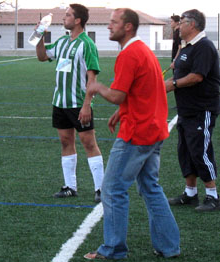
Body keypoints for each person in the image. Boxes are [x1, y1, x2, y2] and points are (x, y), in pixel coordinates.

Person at [83, 8, 180, 260]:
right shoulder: (144, 51)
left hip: (137, 133)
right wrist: (121, 111)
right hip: (154, 129)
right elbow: (146, 89)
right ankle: (169, 247)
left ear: (128, 27)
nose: (108, 26)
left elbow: (117, 94)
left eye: (113, 23)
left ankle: (113, 249)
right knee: (150, 187)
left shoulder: (129, 54)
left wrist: (96, 87)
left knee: (112, 189)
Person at [35, 4, 104, 202]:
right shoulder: (63, 42)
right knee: (66, 142)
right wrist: (40, 36)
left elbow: (92, 79)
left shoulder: (87, 44)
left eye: (67, 15)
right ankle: (69, 187)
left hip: (78, 104)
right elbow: (42, 56)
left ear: (78, 20)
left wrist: (86, 105)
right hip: (60, 102)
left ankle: (100, 189)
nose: (64, 18)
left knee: (89, 143)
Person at [165, 9, 220, 212]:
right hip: (186, 109)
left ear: (193, 24)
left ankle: (213, 196)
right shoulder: (187, 47)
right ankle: (190, 193)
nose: (178, 26)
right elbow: (179, 73)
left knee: (200, 151)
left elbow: (197, 76)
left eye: (182, 22)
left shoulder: (203, 46)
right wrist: (162, 86)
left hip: (201, 108)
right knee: (185, 151)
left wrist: (172, 85)